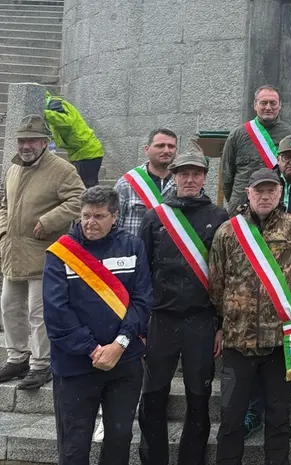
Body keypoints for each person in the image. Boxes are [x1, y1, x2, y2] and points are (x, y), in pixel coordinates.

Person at [209, 168, 291, 465]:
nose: (265, 196)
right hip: (238, 341)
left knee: (279, 419)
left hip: (280, 342)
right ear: (248, 193)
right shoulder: (228, 231)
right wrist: (225, 321)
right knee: (231, 419)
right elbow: (216, 282)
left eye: (271, 190)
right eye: (259, 191)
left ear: (280, 193)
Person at [43, 186, 151, 465]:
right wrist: (92, 350)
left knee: (119, 438)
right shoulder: (60, 253)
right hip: (75, 366)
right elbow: (57, 312)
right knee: (74, 446)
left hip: (124, 363)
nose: (90, 223)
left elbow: (142, 300)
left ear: (115, 216)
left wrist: (120, 344)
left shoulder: (132, 246)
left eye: (99, 216)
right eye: (86, 215)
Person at [137, 152, 229, 465]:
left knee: (198, 398)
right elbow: (142, 275)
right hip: (161, 320)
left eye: (196, 174)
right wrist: (140, 325)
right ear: (174, 177)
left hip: (200, 320)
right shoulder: (154, 218)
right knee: (153, 396)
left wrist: (220, 326)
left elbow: (225, 277)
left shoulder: (220, 218)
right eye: (183, 174)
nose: (189, 180)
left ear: (205, 177)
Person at [242, 134, 291, 439]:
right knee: (256, 357)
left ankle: (280, 415)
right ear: (278, 159)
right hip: (256, 296)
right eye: (286, 157)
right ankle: (254, 410)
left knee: (285, 361)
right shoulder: (260, 188)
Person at [0, 114, 85, 389]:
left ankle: (41, 364)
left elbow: (79, 199)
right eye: (22, 140)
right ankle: (17, 358)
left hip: (43, 252)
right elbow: (4, 203)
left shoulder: (61, 169)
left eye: (32, 140)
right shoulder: (12, 168)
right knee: (9, 307)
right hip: (13, 251)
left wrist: (49, 221)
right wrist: (3, 230)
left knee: (39, 313)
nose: (26, 145)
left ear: (45, 142)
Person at [222, 85, 291, 212]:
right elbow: (227, 176)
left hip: (278, 208)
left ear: (280, 105)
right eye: (263, 103)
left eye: (273, 103)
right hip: (242, 208)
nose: (268, 107)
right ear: (255, 105)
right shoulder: (237, 135)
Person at [114, 128, 177, 236]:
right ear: (147, 150)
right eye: (160, 146)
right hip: (135, 251)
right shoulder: (126, 183)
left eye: (171, 146)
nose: (166, 150)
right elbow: (113, 223)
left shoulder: (182, 184)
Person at [44, 92, 105, 188]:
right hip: (80, 153)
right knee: (82, 187)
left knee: (86, 188)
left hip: (88, 152)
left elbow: (67, 121)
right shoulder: (51, 107)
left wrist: (44, 113)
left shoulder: (54, 104)